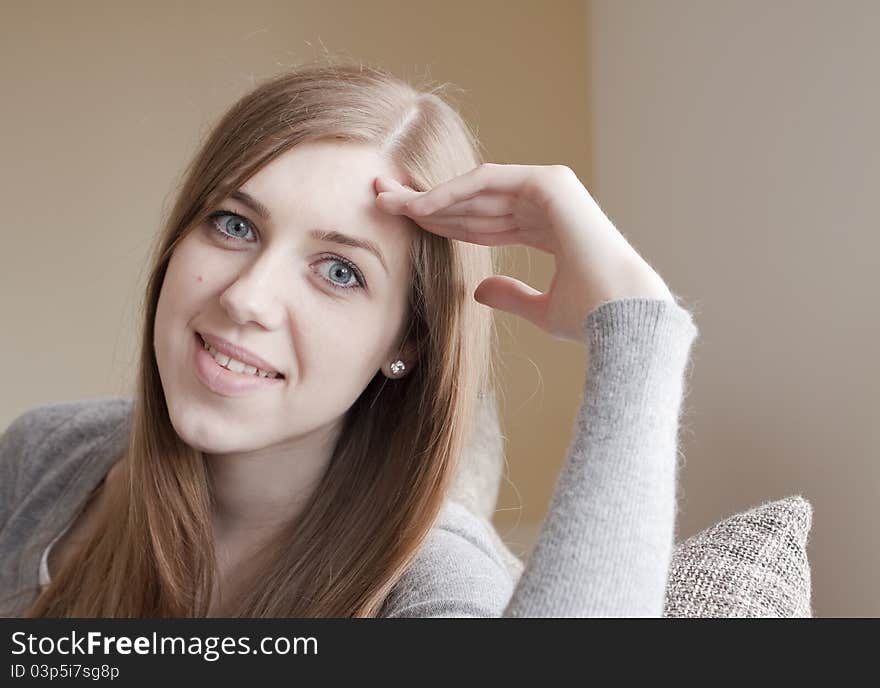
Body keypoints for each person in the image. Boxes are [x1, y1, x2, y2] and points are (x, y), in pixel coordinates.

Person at [0, 58, 699, 617]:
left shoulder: (434, 586)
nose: (247, 298)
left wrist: (639, 331)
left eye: (339, 271)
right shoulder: (47, 456)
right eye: (234, 225)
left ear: (410, 343)